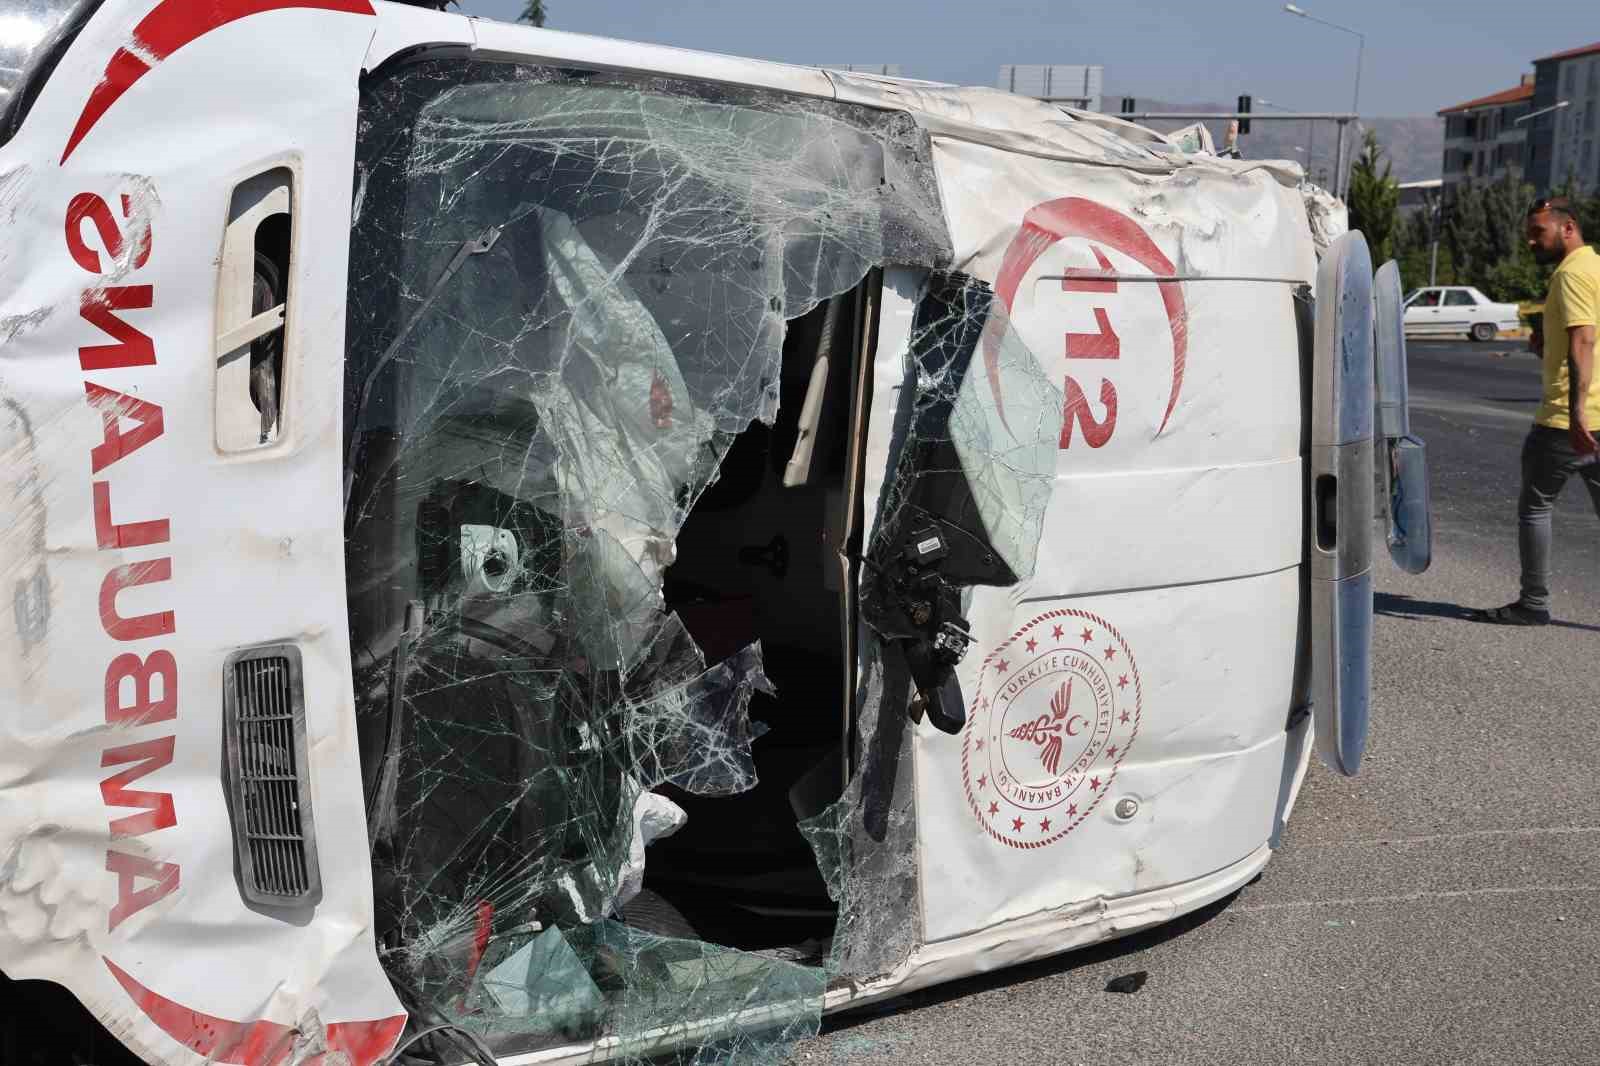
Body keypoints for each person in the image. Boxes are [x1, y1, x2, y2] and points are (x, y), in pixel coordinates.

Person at [1476, 197, 1600, 625]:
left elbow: (1584, 339)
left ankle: (1533, 603)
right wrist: (1546, 346)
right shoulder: (1596, 268)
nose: (1531, 240)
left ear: (1568, 228)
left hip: (1568, 421)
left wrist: (1578, 413)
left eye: (1538, 232)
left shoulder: (1572, 274)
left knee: (1535, 507)